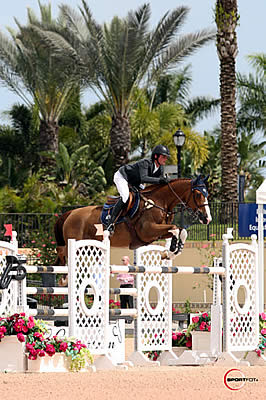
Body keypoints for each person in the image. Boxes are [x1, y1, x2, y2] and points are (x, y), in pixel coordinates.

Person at [106, 144, 170, 232]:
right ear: (156, 156)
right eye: (163, 157)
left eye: (166, 157)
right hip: (122, 177)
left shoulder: (160, 169)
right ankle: (110, 223)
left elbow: (158, 183)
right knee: (125, 197)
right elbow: (143, 178)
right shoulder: (146, 163)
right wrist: (160, 180)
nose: (165, 159)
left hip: (135, 182)